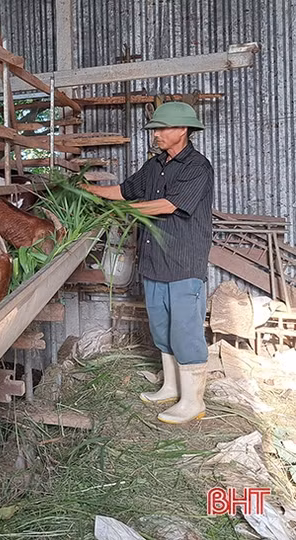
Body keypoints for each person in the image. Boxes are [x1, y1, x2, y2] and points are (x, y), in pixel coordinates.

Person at [80, 101, 214, 425]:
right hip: (154, 264)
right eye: (154, 129)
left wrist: (129, 212)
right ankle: (170, 386)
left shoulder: (198, 167)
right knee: (163, 329)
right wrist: (87, 190)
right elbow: (125, 190)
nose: (155, 135)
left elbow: (169, 205)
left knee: (186, 331)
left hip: (183, 264)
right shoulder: (154, 166)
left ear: (182, 130)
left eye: (161, 129)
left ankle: (193, 401)